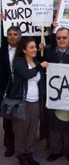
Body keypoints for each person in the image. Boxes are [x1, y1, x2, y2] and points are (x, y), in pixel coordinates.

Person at [45, 27, 69, 162]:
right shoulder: (48, 54)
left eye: (64, 37)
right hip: (53, 94)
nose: (61, 40)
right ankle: (56, 150)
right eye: (59, 38)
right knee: (54, 123)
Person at [10, 37, 48, 165]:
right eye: (31, 47)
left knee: (32, 129)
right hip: (22, 102)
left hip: (35, 102)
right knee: (21, 130)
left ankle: (29, 153)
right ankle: (21, 154)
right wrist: (39, 66)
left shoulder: (36, 62)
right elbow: (27, 74)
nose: (34, 49)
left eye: (35, 47)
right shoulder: (18, 62)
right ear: (24, 50)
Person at [0, 26, 22, 158]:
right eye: (10, 34)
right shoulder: (2, 51)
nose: (12, 36)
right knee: (7, 121)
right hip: (6, 90)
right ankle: (9, 146)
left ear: (20, 36)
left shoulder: (25, 50)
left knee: (20, 120)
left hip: (20, 90)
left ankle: (20, 146)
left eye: (15, 34)